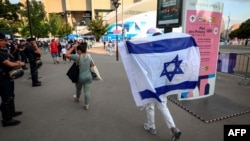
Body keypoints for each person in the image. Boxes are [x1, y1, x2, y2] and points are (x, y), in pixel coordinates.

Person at [143, 32, 181, 141]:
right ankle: (173, 128)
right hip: (162, 85)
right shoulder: (167, 54)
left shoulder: (148, 55)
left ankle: (152, 127)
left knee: (150, 107)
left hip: (150, 85)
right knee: (163, 107)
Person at [0, 33, 25, 127]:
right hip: (2, 78)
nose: (3, 42)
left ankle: (11, 112)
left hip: (8, 76)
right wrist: (19, 64)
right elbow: (9, 64)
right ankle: (6, 120)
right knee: (6, 98)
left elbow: (11, 60)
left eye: (4, 40)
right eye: (1, 41)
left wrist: (16, 62)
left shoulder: (3, 50)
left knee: (11, 95)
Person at [65, 42, 93, 110]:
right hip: (88, 76)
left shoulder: (77, 56)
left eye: (77, 50)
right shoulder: (89, 56)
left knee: (78, 88)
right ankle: (87, 105)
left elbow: (66, 55)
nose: (77, 51)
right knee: (87, 91)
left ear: (80, 50)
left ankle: (77, 98)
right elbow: (92, 65)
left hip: (80, 77)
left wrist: (73, 47)